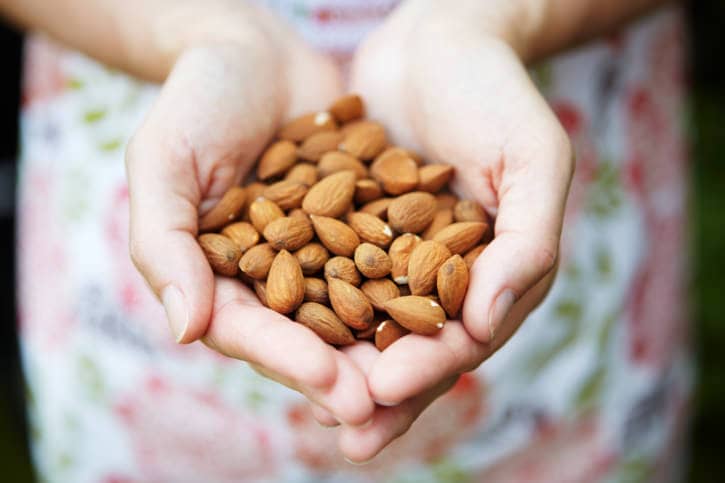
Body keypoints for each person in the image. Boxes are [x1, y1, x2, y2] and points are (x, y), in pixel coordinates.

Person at [4, 0, 691, 481]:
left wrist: (495, 15)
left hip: (535, 151)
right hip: (162, 156)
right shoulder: (269, 220)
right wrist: (195, 27)